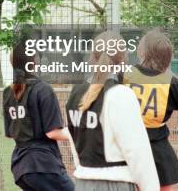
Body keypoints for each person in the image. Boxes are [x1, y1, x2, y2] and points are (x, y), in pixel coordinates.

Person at [65, 31, 159, 191]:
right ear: (123, 61)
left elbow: (75, 143)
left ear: (91, 58)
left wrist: (83, 171)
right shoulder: (121, 95)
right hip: (114, 184)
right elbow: (138, 153)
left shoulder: (75, 93)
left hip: (82, 183)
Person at [120, 29, 178, 191]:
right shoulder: (170, 81)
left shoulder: (125, 75)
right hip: (157, 147)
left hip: (128, 144)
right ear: (168, 56)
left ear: (141, 52)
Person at [3, 40, 74, 191]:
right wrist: (81, 132)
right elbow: (53, 132)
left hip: (20, 167)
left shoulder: (8, 92)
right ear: (34, 61)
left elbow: (10, 134)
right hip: (42, 165)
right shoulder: (43, 89)